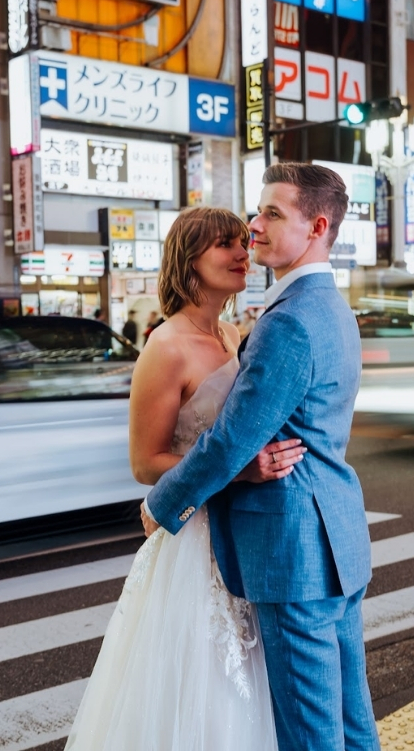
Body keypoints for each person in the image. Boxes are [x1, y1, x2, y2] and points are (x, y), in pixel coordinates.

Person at [143, 163, 381, 751]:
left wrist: (161, 504)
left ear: (317, 226)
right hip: (334, 541)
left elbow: (230, 441)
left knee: (311, 735)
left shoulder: (289, 322)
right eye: (258, 211)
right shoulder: (331, 308)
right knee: (351, 725)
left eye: (273, 213)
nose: (254, 227)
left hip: (293, 550)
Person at [66, 207, 302, 750]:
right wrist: (239, 473)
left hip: (242, 531)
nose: (244, 253)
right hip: (194, 541)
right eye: (226, 244)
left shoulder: (232, 333)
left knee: (250, 675)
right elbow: (146, 462)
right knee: (199, 684)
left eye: (244, 242)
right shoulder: (165, 346)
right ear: (189, 261)